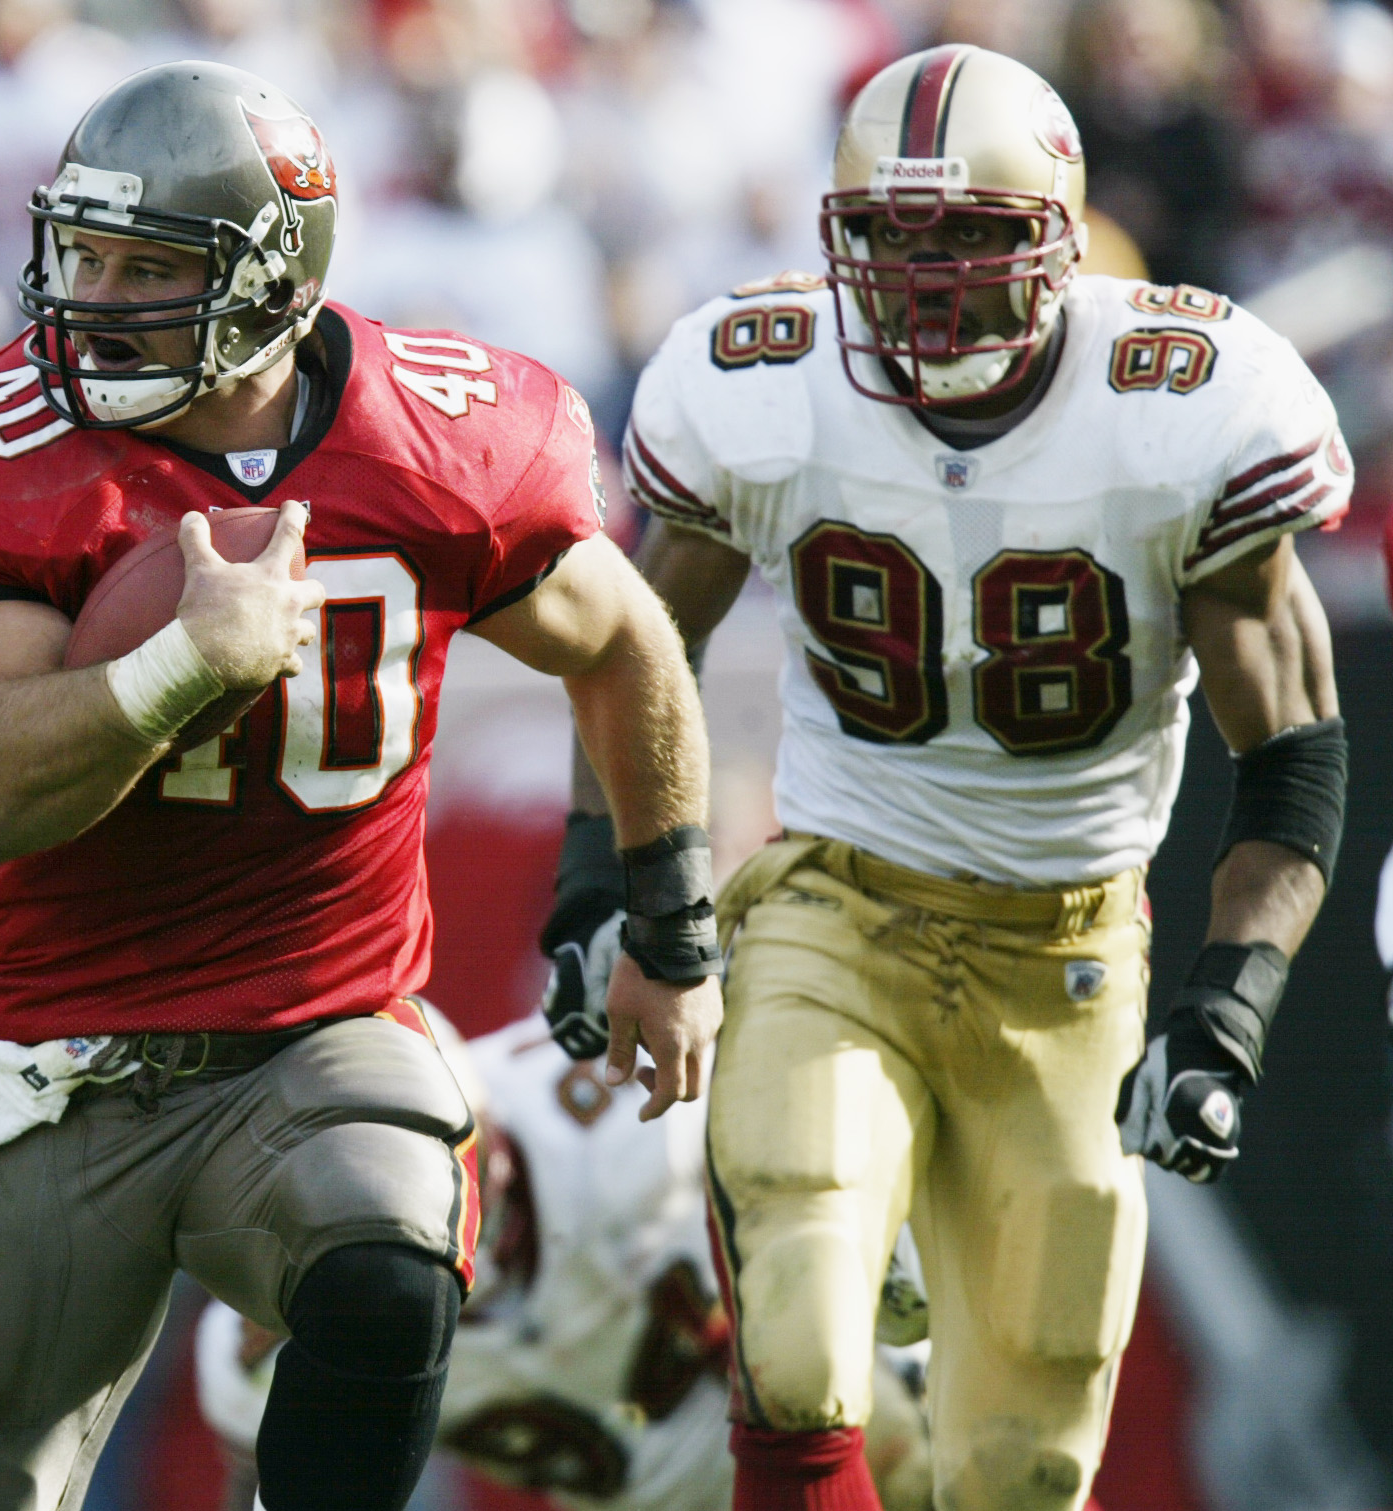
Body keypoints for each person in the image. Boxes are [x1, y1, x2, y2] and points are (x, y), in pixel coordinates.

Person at [0, 61, 721, 1511]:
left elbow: (624, 641)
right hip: (71, 1057)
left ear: (272, 280)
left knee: (388, 1259)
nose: (97, 298)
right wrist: (183, 666)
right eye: (84, 256)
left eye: (148, 267)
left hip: (320, 1029)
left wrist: (653, 912)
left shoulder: (439, 436)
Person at [539, 43, 1348, 1511]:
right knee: (797, 1311)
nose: (925, 278)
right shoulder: (770, 384)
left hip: (1072, 951)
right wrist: (604, 891)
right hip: (839, 906)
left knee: (1022, 1464)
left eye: (969, 234)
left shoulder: (1180, 402)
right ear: (837, 237)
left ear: (1056, 232)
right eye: (889, 236)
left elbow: (1290, 759)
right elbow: (638, 654)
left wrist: (1230, 1007)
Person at [195, 1009, 935, 1511]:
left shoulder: (619, 1101)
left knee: (913, 1430)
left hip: (837, 1413)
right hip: (667, 1496)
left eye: (465, 1147)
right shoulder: (263, 1341)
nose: (465, 1191)